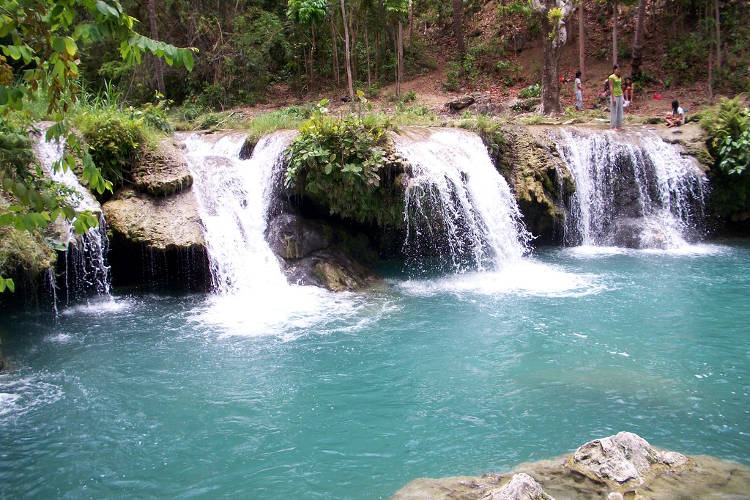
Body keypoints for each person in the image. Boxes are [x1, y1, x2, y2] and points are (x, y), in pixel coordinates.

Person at [609, 65, 624, 130]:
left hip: (620, 94)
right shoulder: (611, 77)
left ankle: (619, 125)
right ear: (614, 70)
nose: (618, 71)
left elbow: (620, 87)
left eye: (619, 69)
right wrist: (613, 97)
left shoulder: (619, 77)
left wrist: (623, 97)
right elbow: (611, 87)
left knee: (620, 110)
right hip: (615, 95)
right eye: (617, 69)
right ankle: (613, 126)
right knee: (614, 110)